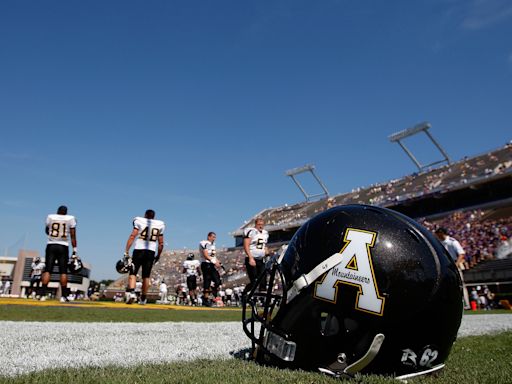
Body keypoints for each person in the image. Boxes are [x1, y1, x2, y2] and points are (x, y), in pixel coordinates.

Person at [124, 209, 165, 305]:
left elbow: (132, 235)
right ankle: (143, 297)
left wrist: (126, 251)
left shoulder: (139, 220)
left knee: (133, 272)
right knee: (146, 276)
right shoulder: (160, 224)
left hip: (139, 249)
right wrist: (158, 255)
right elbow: (161, 243)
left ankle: (132, 293)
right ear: (154, 216)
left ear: (145, 215)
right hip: (151, 252)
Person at [41, 205, 78, 302]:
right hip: (63, 246)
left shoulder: (50, 217)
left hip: (51, 244)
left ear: (57, 211)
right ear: (66, 212)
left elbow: (47, 230)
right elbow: (73, 236)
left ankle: (42, 295)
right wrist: (75, 250)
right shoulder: (70, 218)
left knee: (48, 270)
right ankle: (64, 296)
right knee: (63, 271)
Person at [435, 227, 470, 309]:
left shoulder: (452, 242)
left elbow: (461, 254)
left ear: (442, 233)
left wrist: (456, 265)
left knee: (461, 285)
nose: (437, 236)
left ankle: (466, 304)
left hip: (454, 264)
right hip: (446, 265)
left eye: (438, 234)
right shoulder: (440, 242)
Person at [243, 217, 269, 293]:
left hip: (261, 259)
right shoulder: (251, 231)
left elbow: (264, 246)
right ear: (255, 224)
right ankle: (245, 294)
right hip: (252, 258)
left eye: (262, 224)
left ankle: (262, 299)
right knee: (254, 280)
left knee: (263, 280)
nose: (260, 226)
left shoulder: (265, 233)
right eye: (259, 224)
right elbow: (246, 245)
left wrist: (267, 254)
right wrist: (251, 258)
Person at [199, 232, 221, 307]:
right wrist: (214, 262)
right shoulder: (204, 243)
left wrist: (217, 261)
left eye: (215, 237)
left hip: (211, 264)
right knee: (207, 282)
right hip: (206, 264)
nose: (214, 238)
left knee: (217, 281)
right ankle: (205, 298)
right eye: (213, 237)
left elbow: (213, 256)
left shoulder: (213, 245)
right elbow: (205, 255)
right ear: (208, 237)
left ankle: (210, 295)